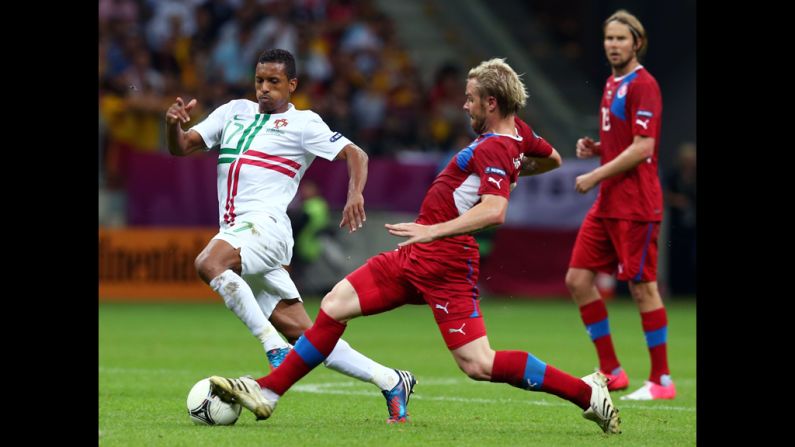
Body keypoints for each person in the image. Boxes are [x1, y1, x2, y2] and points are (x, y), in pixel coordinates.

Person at [208, 58, 622, 434]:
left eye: (471, 99)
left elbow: (495, 211)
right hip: (415, 256)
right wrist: (518, 168)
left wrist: (434, 230)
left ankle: (588, 395)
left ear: (491, 103)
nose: (464, 106)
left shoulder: (496, 146)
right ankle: (269, 393)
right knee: (335, 304)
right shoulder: (517, 134)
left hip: (446, 261)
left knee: (479, 364)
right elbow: (552, 159)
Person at [164, 48, 416, 422]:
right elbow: (181, 147)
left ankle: (272, 348)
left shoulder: (304, 124)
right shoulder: (234, 112)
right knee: (309, 335)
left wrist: (354, 194)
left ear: (292, 85)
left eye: (274, 82)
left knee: (209, 262)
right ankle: (392, 380)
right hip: (237, 231)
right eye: (259, 81)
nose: (264, 89)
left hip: (266, 227)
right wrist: (173, 124)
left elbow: (356, 154)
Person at [566, 10, 674, 401]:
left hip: (636, 204)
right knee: (578, 280)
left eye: (621, 39)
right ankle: (612, 371)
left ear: (637, 43)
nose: (613, 45)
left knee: (642, 288)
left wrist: (595, 173)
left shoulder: (645, 85)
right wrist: (598, 148)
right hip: (608, 202)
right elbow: (626, 140)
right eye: (609, 39)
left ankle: (662, 380)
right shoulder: (612, 84)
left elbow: (645, 147)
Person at [664, 142, 696, 295]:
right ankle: (676, 288)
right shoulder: (673, 175)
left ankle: (691, 289)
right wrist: (676, 200)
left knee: (692, 255)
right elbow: (664, 194)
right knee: (674, 253)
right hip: (676, 225)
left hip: (693, 224)